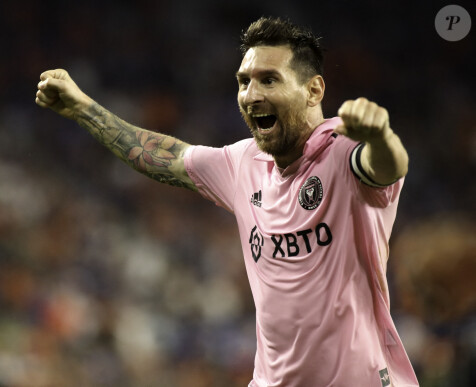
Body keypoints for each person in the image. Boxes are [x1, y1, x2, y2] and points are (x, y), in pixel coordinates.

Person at [35, 16, 419, 387]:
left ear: (314, 90)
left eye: (269, 79)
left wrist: (381, 136)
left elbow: (387, 166)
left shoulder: (343, 150)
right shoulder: (242, 162)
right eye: (244, 82)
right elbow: (161, 155)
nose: (252, 95)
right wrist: (82, 108)